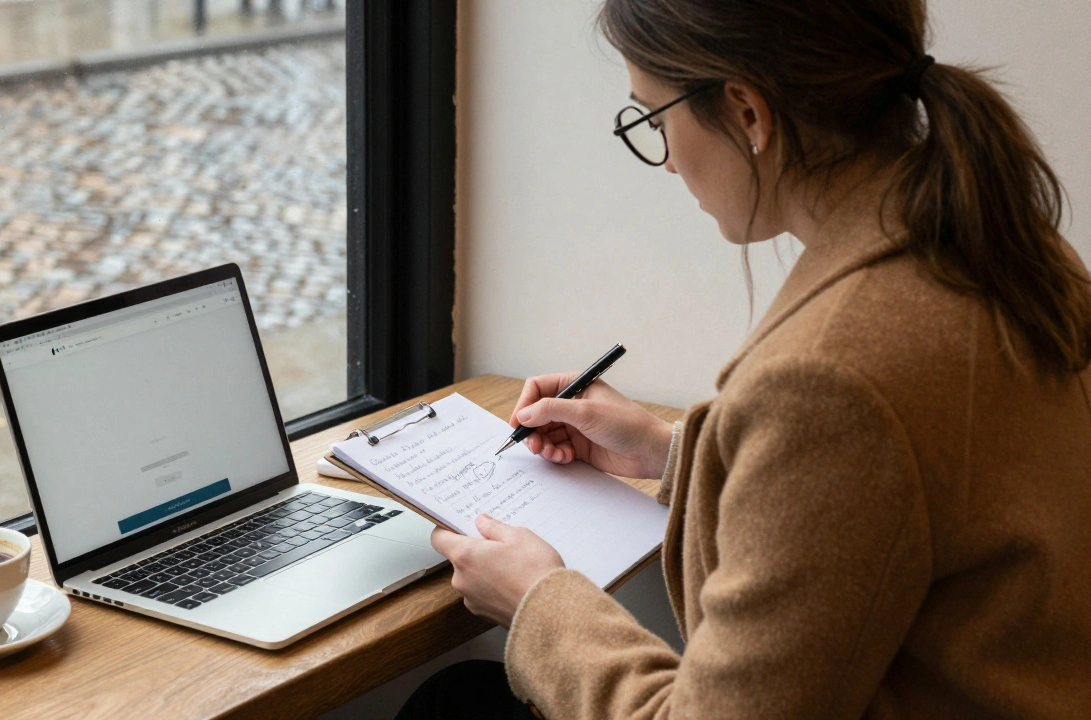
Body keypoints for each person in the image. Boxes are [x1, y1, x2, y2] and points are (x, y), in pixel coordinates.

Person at [396, 0, 1091, 718]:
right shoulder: (1008, 247)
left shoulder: (828, 376)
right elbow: (894, 496)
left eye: (655, 120)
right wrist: (672, 451)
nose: (665, 161)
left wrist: (538, 601)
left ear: (748, 113)